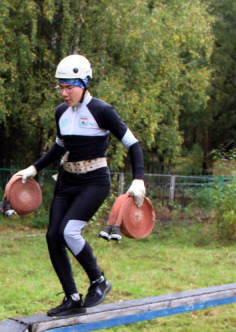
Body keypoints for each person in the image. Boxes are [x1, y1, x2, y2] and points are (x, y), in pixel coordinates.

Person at [12, 54, 146, 317]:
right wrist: (33, 168)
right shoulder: (61, 112)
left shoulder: (102, 111)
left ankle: (99, 281)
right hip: (67, 181)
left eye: (69, 87)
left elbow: (133, 144)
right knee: (53, 236)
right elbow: (60, 146)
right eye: (60, 87)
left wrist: (138, 179)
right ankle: (71, 297)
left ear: (84, 83)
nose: (64, 93)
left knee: (70, 232)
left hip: (94, 181)